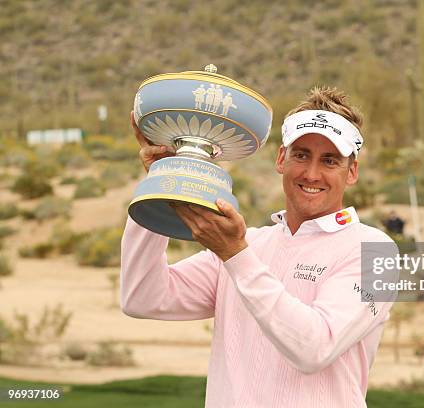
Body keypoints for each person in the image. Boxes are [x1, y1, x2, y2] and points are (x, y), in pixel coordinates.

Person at [121, 86, 396, 407]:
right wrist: (161, 183)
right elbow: (141, 298)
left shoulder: (378, 252)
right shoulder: (249, 243)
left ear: (352, 172)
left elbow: (314, 348)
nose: (311, 173)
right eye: (301, 154)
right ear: (282, 158)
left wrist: (236, 255)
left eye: (330, 160)